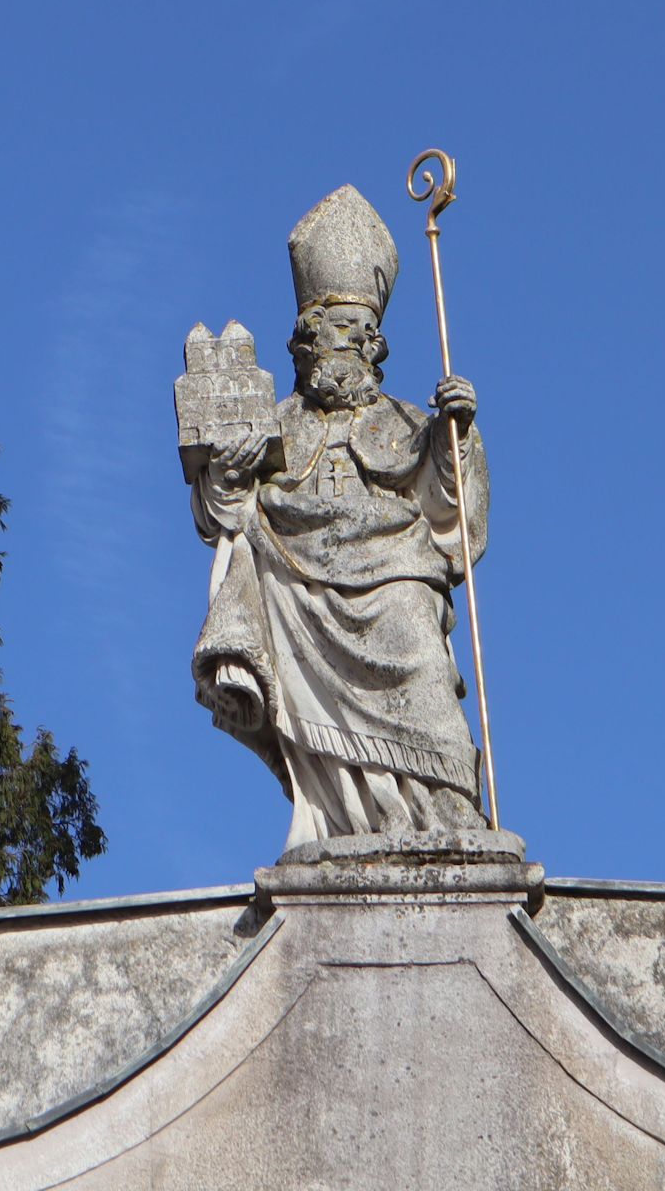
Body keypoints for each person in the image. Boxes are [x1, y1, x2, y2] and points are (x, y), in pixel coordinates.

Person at [187, 186, 488, 849]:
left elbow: (451, 516)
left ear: (375, 347)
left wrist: (454, 436)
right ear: (302, 346)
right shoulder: (276, 426)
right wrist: (232, 473)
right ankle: (338, 815)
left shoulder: (410, 422)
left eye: (356, 338)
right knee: (257, 556)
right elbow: (227, 519)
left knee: (421, 652)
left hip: (396, 574)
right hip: (299, 588)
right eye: (329, 336)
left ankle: (447, 808)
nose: (343, 350)